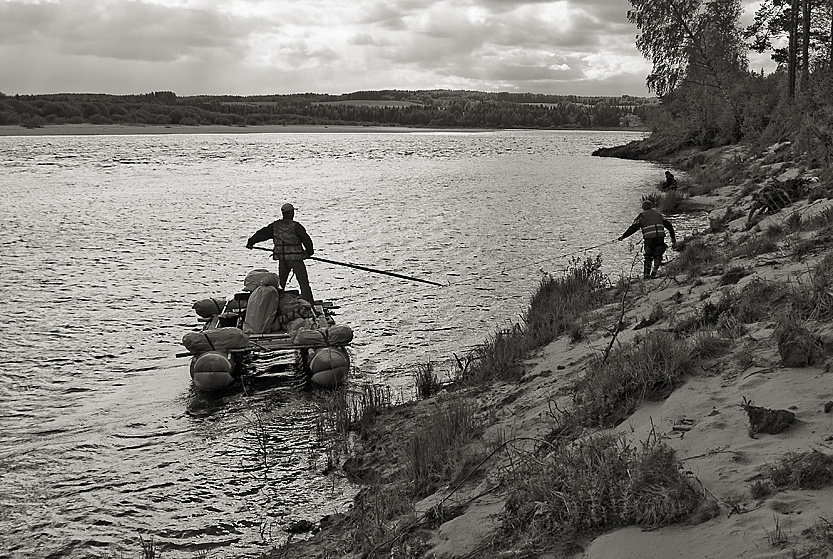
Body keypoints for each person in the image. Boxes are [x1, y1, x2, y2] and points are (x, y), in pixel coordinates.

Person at [246, 203, 315, 304]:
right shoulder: (296, 226)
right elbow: (306, 240)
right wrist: (309, 252)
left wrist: (251, 242)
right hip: (296, 259)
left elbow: (262, 234)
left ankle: (276, 303)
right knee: (303, 283)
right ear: (292, 213)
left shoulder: (275, 226)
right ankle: (309, 303)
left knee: (281, 284)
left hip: (283, 259)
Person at [618, 200, 676, 279]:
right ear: (651, 206)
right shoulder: (659, 214)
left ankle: (646, 276)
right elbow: (669, 226)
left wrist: (624, 236)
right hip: (660, 237)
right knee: (658, 255)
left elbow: (634, 227)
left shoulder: (642, 216)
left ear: (643, 208)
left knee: (648, 256)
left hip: (649, 239)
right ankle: (654, 271)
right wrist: (673, 238)